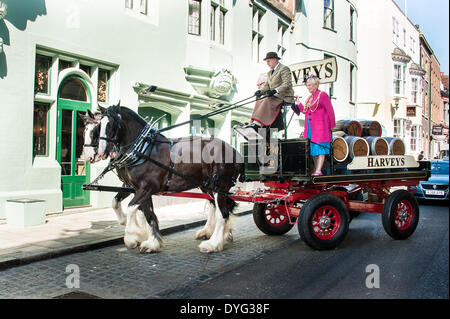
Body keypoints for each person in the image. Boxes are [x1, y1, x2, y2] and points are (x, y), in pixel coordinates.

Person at [296, 75, 336, 176]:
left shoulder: (322, 95)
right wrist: (298, 103)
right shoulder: (310, 98)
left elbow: (330, 110)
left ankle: (319, 170)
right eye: (307, 86)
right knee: (312, 148)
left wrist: (332, 124)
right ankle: (316, 169)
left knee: (320, 147)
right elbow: (305, 111)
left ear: (315, 84)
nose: (308, 87)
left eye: (309, 85)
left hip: (320, 126)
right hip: (310, 126)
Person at [247, 52, 294, 132]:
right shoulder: (269, 73)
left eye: (268, 61)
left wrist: (275, 90)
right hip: (274, 96)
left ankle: (258, 124)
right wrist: (260, 91)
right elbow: (267, 85)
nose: (267, 63)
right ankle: (255, 121)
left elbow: (287, 83)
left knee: (267, 100)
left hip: (284, 96)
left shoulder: (284, 68)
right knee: (260, 100)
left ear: (275, 60)